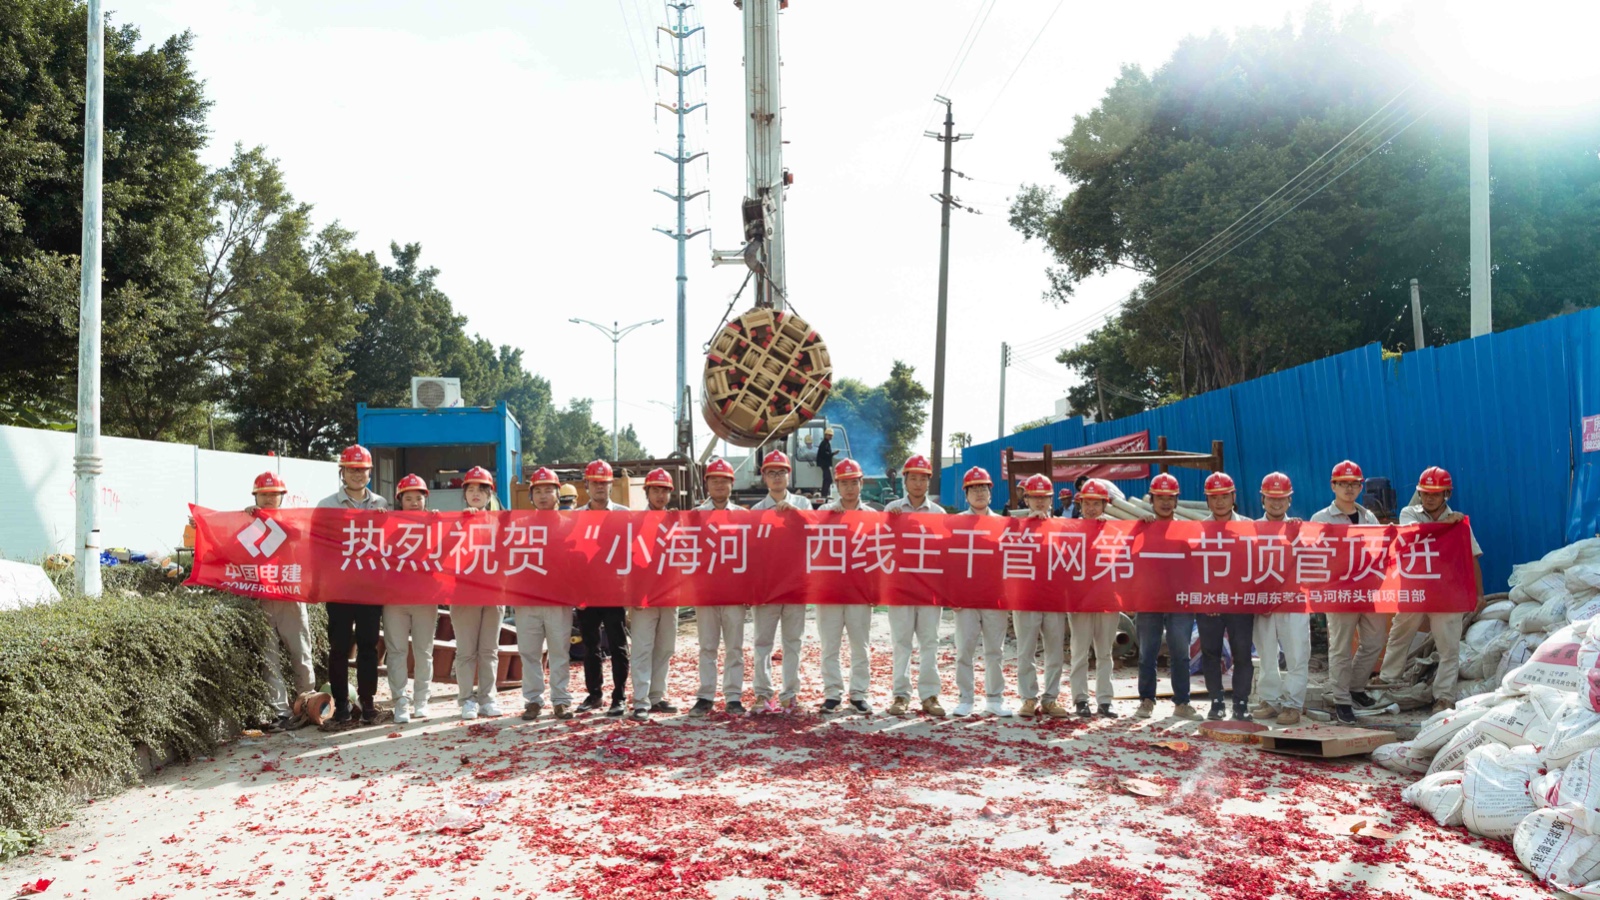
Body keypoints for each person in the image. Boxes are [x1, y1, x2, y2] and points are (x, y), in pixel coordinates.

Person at [1378, 466, 1483, 714]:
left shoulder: (1459, 524)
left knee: (1449, 646)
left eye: (1435, 494)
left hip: (1448, 592)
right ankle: (1386, 682)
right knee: (1399, 634)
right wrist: (1446, 524)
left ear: (1446, 494)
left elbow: (1472, 557)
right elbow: (1413, 535)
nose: (1429, 498)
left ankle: (1443, 697)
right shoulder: (1409, 513)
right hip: (1415, 588)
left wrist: (1479, 593)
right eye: (1425, 493)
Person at [317, 445, 388, 726]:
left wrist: (386, 522)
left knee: (369, 647)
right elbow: (315, 541)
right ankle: (342, 706)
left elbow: (394, 542)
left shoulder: (381, 504)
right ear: (342, 472)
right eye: (352, 470)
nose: (357, 475)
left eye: (362, 470)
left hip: (370, 588)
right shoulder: (327, 506)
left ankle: (367, 703)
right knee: (339, 647)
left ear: (370, 472)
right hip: (339, 588)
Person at [1312, 459, 1382, 724]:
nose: (1349, 489)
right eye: (1343, 484)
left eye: (1354, 484)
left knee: (1374, 642)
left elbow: (1380, 551)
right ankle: (1342, 700)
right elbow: (1313, 556)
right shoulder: (1321, 519)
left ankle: (1355, 687)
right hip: (1339, 592)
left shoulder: (1369, 517)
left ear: (1361, 487)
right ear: (1333, 486)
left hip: (1367, 591)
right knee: (1340, 647)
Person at [245, 472, 316, 731]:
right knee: (269, 658)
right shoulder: (248, 523)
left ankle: (307, 703)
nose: (268, 499)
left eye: (274, 495)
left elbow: (304, 541)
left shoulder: (293, 522)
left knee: (301, 652)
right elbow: (227, 541)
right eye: (264, 494)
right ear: (255, 496)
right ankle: (281, 712)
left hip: (290, 596)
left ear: (282, 497)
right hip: (262, 599)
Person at [884, 454, 947, 718]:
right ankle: (900, 695)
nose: (918, 483)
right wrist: (890, 521)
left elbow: (945, 551)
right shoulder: (892, 509)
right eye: (913, 478)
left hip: (929, 588)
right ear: (905, 480)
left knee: (929, 641)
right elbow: (880, 544)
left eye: (923, 479)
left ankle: (930, 695)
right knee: (901, 642)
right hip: (900, 587)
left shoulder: (939, 514)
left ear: (929, 481)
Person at [750, 449, 812, 714]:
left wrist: (795, 514)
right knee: (762, 643)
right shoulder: (756, 511)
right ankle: (762, 694)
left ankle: (790, 694)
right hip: (767, 587)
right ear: (764, 477)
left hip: (796, 584)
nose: (777, 477)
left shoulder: (803, 504)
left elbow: (815, 534)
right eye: (771, 473)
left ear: (789, 475)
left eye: (781, 472)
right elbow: (751, 552)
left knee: (793, 642)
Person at [1135, 472, 1200, 720]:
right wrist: (1138, 529)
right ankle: (1146, 700)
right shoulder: (1143, 529)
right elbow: (1125, 556)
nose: (1165, 502)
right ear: (1151, 499)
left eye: (1170, 498)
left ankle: (1182, 702)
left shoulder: (1186, 530)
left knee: (1181, 653)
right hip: (1148, 599)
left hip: (1180, 601)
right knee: (1147, 652)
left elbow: (1197, 565)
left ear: (1176, 501)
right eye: (1160, 497)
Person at [953, 466, 1014, 718]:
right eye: (973, 489)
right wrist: (951, 594)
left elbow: (1013, 561)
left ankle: (995, 699)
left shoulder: (1004, 524)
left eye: (983, 488)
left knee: (995, 651)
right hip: (964, 599)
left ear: (990, 493)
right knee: (964, 650)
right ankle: (965, 699)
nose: (979, 493)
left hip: (994, 597)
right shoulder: (956, 523)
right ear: (966, 494)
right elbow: (948, 562)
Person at [515, 467, 574, 721]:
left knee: (559, 651)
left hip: (558, 600)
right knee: (529, 652)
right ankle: (533, 700)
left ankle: (561, 700)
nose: (542, 496)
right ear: (531, 496)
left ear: (558, 494)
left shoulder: (570, 526)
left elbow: (578, 563)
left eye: (548, 490)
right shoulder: (520, 526)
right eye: (537, 491)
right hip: (527, 599)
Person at [690, 457, 748, 717]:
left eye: (724, 480)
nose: (719, 485)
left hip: (735, 592)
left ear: (732, 484)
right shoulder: (695, 516)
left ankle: (733, 696)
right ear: (707, 484)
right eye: (714, 480)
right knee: (707, 647)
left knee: (734, 647)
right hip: (706, 592)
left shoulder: (743, 516)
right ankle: (705, 696)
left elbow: (752, 554)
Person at [1251, 472, 1309, 725]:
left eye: (1282, 498)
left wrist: (1298, 536)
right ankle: (1270, 700)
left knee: (1297, 654)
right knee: (1266, 653)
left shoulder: (1299, 528)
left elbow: (1314, 561)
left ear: (1289, 500)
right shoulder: (1252, 529)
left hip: (1294, 601)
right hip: (1263, 603)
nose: (1276, 503)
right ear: (1262, 499)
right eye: (1271, 498)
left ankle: (1293, 704)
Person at [817, 458, 873, 715]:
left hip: (859, 591)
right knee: (830, 645)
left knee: (860, 645)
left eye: (854, 483)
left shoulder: (872, 516)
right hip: (829, 590)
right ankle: (832, 694)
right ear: (836, 485)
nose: (849, 488)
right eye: (844, 483)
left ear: (861, 484)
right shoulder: (824, 513)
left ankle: (859, 694)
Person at [1197, 472, 1254, 721]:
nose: (1219, 502)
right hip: (1210, 604)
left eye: (1224, 496)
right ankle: (1216, 702)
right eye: (1214, 497)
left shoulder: (1249, 527)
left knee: (1242, 653)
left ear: (1233, 497)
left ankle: (1241, 703)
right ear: (1207, 500)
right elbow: (1194, 569)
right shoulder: (1199, 530)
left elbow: (1259, 564)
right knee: (1211, 653)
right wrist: (1206, 598)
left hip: (1240, 603)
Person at [576, 459, 630, 716]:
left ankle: (619, 696)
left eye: (604, 483)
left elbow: (635, 550)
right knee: (590, 645)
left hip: (614, 590)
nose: (599, 487)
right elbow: (570, 555)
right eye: (595, 483)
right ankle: (594, 694)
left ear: (611, 485)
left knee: (618, 645)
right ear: (586, 485)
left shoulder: (623, 514)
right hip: (586, 591)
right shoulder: (576, 517)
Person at [1012, 474, 1069, 719]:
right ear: (1026, 499)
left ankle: (1050, 699)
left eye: (1044, 497)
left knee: (1055, 651)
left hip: (1054, 598)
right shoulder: (1014, 527)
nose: (1039, 502)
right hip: (1025, 598)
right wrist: (1027, 525)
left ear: (1051, 499)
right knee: (1026, 651)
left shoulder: (1063, 527)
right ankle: (1028, 698)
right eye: (1034, 497)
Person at [451, 465, 505, 720]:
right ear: (464, 494)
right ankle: (466, 700)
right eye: (470, 489)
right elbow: (442, 550)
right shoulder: (454, 522)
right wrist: (461, 523)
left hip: (494, 594)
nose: (475, 494)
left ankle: (488, 698)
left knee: (489, 650)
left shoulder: (501, 522)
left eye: (481, 490)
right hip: (464, 594)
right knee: (466, 651)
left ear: (489, 494)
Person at [385, 474, 439, 724]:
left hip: (425, 598)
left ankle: (421, 700)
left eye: (419, 497)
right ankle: (400, 701)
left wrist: (439, 524)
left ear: (426, 499)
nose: (415, 502)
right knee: (396, 651)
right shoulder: (389, 525)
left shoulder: (435, 523)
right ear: (400, 501)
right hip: (395, 599)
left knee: (423, 651)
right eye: (408, 498)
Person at [629, 468, 681, 721]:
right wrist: (633, 592)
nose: (660, 495)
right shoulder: (636, 522)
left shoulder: (677, 521)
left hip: (670, 596)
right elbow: (628, 560)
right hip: (644, 598)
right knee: (642, 648)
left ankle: (657, 696)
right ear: (647, 492)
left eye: (664, 491)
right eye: (655, 490)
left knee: (665, 647)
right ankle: (641, 700)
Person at [1068, 478, 1119, 717]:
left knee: (1105, 652)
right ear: (1080, 505)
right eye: (1086, 503)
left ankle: (1105, 700)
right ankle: (1080, 699)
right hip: (1080, 601)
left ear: (1104, 505)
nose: (1091, 508)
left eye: (1096, 503)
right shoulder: (1070, 531)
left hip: (1107, 600)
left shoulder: (1115, 531)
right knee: (1079, 652)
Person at [817, 428, 835, 500]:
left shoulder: (826, 443)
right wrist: (832, 454)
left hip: (825, 464)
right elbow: (824, 454)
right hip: (824, 464)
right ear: (826, 435)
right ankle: (824, 494)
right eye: (829, 435)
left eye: (831, 435)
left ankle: (825, 493)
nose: (830, 437)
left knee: (827, 479)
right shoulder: (824, 443)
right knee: (828, 479)